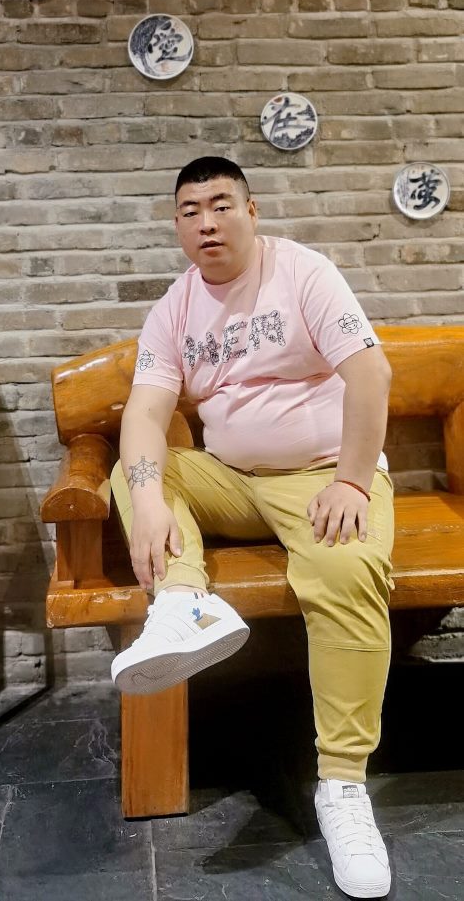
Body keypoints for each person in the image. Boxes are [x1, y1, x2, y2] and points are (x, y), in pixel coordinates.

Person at [110, 156, 394, 901]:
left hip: (325, 475)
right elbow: (145, 412)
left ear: (251, 210)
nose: (206, 222)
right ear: (177, 225)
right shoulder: (174, 308)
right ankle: (183, 603)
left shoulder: (303, 272)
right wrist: (148, 500)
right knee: (138, 473)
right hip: (235, 479)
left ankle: (343, 786)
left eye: (221, 204)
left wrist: (352, 480)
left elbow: (371, 374)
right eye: (190, 210)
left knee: (344, 573)